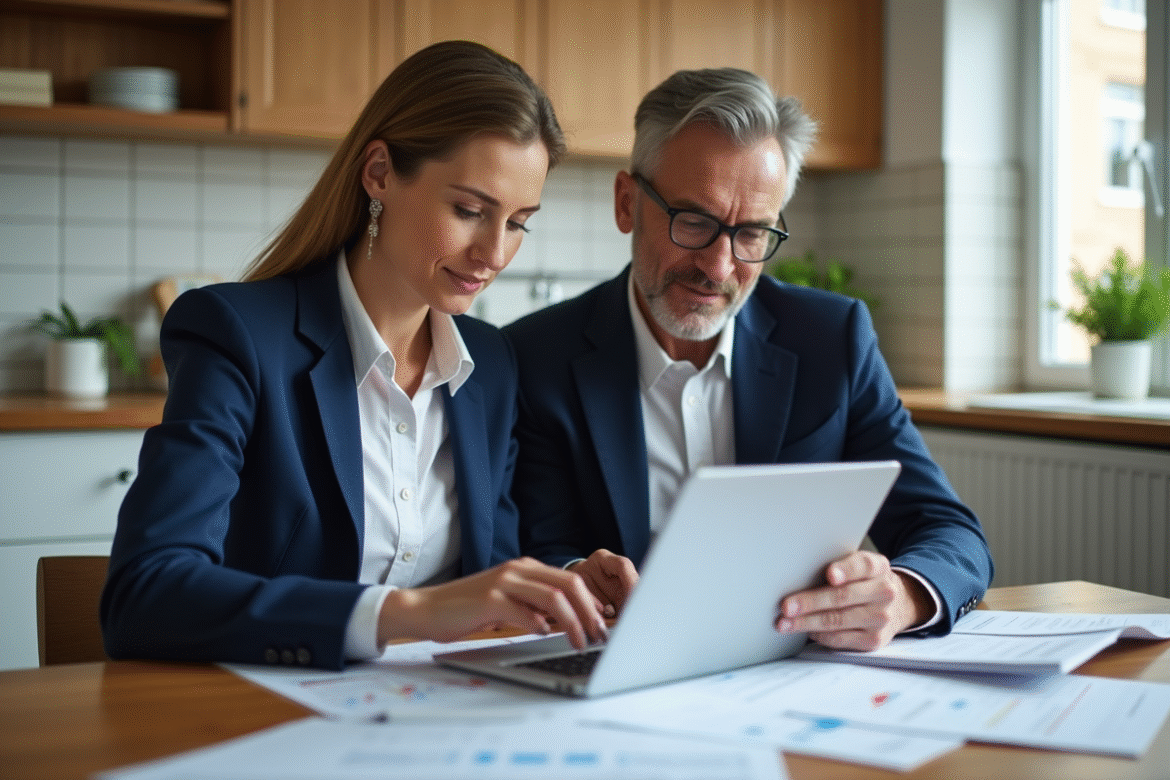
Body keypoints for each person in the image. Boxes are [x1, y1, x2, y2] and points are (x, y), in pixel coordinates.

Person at [100, 41, 608, 671]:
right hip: (266, 723)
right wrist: (407, 612)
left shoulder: (490, 365)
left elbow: (487, 573)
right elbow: (144, 594)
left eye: (519, 222)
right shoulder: (237, 334)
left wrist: (566, 583)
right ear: (378, 174)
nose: (494, 253)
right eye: (470, 210)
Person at [504, 67, 994, 652]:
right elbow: (529, 548)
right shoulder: (536, 358)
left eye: (752, 234)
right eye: (694, 221)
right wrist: (572, 576)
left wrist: (903, 595)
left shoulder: (831, 342)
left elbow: (948, 531)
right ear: (626, 203)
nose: (717, 266)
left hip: (786, 679)